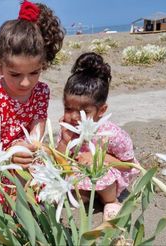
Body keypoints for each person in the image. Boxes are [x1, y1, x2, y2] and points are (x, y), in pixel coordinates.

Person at [0, 0, 65, 167]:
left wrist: (30, 147)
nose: (25, 83)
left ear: (42, 65)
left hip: (27, 158)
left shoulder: (41, 91)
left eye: (34, 73)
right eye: (15, 74)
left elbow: (37, 127)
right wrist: (11, 154)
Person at [57, 52, 139, 221]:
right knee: (79, 197)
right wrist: (65, 142)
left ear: (101, 110)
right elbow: (59, 160)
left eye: (83, 112)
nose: (73, 117)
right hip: (80, 172)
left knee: (102, 177)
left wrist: (97, 157)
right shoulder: (68, 128)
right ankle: (89, 195)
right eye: (68, 109)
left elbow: (128, 165)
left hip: (108, 173)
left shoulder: (112, 134)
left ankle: (111, 201)